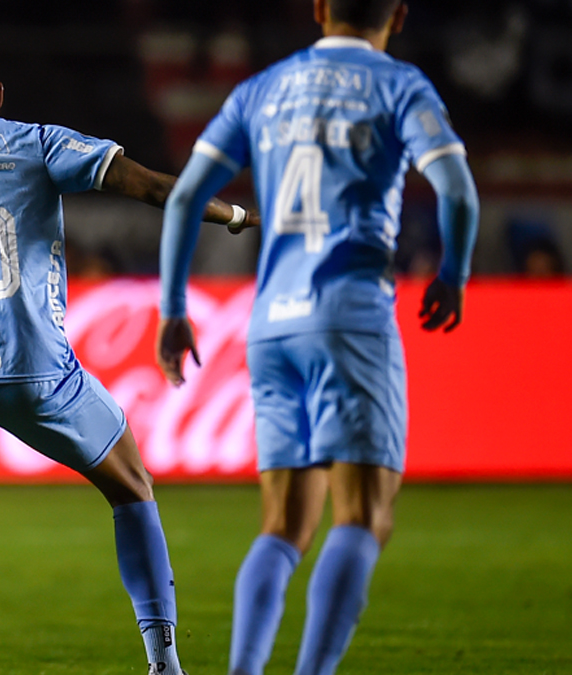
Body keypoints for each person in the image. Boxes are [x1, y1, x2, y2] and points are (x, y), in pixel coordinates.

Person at [0, 29, 258, 675]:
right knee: (132, 489)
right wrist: (232, 214)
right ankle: (165, 660)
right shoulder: (37, 142)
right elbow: (146, 187)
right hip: (41, 373)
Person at [156, 2, 479, 674]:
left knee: (282, 527)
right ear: (399, 13)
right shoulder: (400, 86)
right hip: (350, 317)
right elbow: (457, 190)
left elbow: (186, 196)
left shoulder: (262, 88)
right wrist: (452, 273)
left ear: (319, 9)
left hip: (272, 324)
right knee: (362, 517)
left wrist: (173, 308)